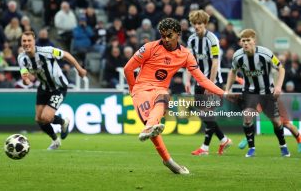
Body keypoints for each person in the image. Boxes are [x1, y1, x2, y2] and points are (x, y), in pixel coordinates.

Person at [124, 18, 225, 174]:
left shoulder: (185, 54)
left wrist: (223, 93)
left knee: (163, 101)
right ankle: (169, 161)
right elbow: (128, 69)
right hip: (141, 90)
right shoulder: (149, 48)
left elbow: (202, 79)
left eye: (169, 36)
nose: (165, 40)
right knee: (154, 128)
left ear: (178, 34)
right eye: (162, 36)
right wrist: (133, 91)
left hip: (160, 91)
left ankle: (153, 134)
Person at [225, 29, 290, 157]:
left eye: (248, 40)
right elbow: (233, 72)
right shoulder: (237, 56)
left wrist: (278, 86)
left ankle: (283, 146)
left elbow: (281, 68)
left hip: (266, 91)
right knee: (247, 118)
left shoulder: (266, 53)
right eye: (243, 41)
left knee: (276, 122)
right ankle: (251, 148)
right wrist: (227, 89)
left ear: (254, 41)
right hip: (249, 92)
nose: (245, 43)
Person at [17, 31, 87, 150]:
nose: (27, 43)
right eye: (24, 41)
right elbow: (25, 79)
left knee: (46, 117)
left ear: (34, 41)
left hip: (58, 87)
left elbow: (65, 55)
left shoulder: (47, 51)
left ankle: (63, 122)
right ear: (21, 42)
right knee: (38, 119)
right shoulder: (21, 58)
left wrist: (79, 69)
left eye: (29, 41)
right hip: (43, 87)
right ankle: (55, 141)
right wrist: (26, 80)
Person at [185, 10, 232, 156]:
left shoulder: (212, 39)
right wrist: (187, 80)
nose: (197, 26)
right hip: (199, 81)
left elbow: (215, 63)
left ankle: (205, 148)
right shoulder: (191, 39)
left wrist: (210, 85)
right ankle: (223, 139)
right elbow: (189, 62)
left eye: (200, 23)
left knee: (208, 113)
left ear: (205, 24)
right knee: (204, 114)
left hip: (213, 81)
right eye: (195, 24)